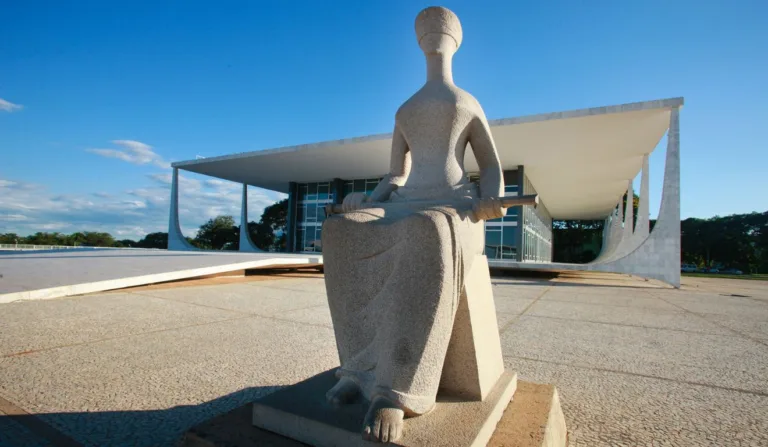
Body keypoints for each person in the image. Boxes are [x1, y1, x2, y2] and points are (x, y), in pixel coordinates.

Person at [321, 6, 505, 443]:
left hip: (455, 207)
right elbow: (396, 175)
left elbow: (491, 165)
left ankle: (396, 390)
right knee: (339, 233)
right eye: (424, 30)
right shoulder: (406, 109)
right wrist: (365, 204)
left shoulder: (466, 102)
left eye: (438, 30)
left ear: (454, 40)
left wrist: (491, 197)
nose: (431, 35)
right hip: (405, 202)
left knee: (426, 231)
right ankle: (357, 370)